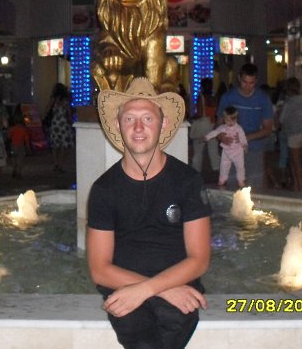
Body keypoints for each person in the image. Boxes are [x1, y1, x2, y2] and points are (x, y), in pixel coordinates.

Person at [87, 77, 211, 349]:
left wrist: (148, 289)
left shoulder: (187, 181)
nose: (138, 127)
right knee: (137, 330)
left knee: (175, 320)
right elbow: (99, 269)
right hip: (123, 284)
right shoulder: (104, 189)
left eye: (147, 118)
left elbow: (200, 259)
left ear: (162, 124)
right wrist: (161, 290)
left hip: (178, 280)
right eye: (129, 119)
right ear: (118, 125)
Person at [216, 63, 274, 190]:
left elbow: (268, 129)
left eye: (251, 83)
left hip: (254, 149)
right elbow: (219, 124)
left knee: (254, 188)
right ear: (239, 78)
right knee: (232, 187)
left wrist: (245, 137)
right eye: (244, 82)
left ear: (256, 81)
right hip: (232, 149)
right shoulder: (228, 98)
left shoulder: (263, 99)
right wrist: (221, 136)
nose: (247, 86)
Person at [277, 77, 302, 192]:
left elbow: (281, 120)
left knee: (296, 162)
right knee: (296, 160)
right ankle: (296, 185)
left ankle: (301, 188)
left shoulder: (289, 103)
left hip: (293, 134)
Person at [204, 106, 248, 188]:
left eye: (233, 120)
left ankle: (241, 180)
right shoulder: (222, 128)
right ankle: (222, 179)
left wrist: (244, 144)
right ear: (224, 119)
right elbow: (215, 132)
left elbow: (242, 137)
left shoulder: (239, 128)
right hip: (226, 151)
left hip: (237, 151)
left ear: (236, 119)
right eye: (228, 120)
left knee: (240, 167)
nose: (230, 122)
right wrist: (207, 137)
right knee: (224, 166)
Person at [190, 77, 220, 174]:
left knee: (198, 152)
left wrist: (191, 118)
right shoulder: (215, 98)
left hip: (202, 128)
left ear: (202, 86)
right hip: (213, 126)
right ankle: (217, 170)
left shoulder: (201, 97)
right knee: (214, 151)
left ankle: (196, 172)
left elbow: (199, 114)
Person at [46, 83, 74, 173]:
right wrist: (71, 122)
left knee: (55, 145)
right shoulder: (65, 101)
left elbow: (47, 110)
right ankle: (61, 164)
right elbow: (69, 114)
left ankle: (56, 163)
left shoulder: (53, 100)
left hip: (55, 123)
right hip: (63, 123)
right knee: (63, 146)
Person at [7, 104, 30, 179]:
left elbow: (8, 137)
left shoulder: (12, 129)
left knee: (13, 157)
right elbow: (26, 139)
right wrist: (28, 147)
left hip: (13, 146)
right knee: (20, 159)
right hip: (21, 146)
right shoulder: (24, 129)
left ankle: (14, 169)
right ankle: (19, 172)